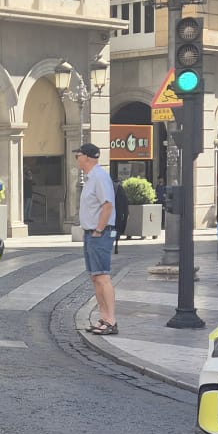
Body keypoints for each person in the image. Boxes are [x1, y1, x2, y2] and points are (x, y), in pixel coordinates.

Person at [75, 143, 119, 336]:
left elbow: (108, 205)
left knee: (102, 277)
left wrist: (99, 230)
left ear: (86, 157)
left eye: (78, 155)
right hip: (91, 233)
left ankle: (111, 320)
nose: (77, 159)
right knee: (96, 277)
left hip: (99, 233)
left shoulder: (99, 177)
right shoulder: (91, 178)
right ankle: (104, 318)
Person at [112, 172, 133, 242]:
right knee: (116, 227)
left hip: (112, 213)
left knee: (113, 227)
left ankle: (113, 237)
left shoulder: (110, 188)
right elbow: (125, 203)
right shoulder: (120, 189)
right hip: (119, 213)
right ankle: (116, 237)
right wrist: (126, 214)